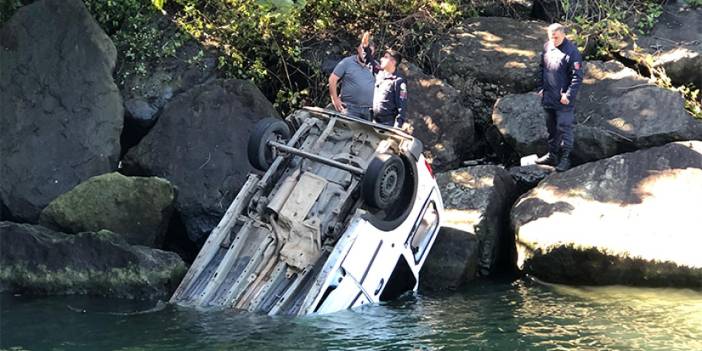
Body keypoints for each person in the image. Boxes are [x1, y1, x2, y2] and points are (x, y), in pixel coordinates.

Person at [535, 23, 584, 172]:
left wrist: (568, 95)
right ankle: (552, 155)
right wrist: (540, 88)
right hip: (549, 96)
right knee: (551, 129)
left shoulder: (572, 52)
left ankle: (565, 159)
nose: (553, 40)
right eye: (550, 37)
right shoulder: (547, 47)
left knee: (564, 129)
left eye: (555, 37)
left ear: (562, 35)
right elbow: (541, 68)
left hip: (563, 99)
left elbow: (577, 77)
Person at [328, 32, 376, 120]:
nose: (365, 53)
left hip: (369, 110)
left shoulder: (375, 66)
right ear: (358, 49)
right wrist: (335, 99)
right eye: (363, 50)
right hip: (350, 108)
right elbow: (332, 79)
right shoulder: (347, 62)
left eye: (369, 51)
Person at [372, 49, 407, 128]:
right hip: (373, 121)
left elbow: (402, 107)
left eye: (385, 57)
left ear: (393, 61)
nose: (381, 59)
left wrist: (397, 127)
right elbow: (369, 60)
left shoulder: (399, 81)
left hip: (387, 124)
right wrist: (365, 46)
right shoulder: (380, 75)